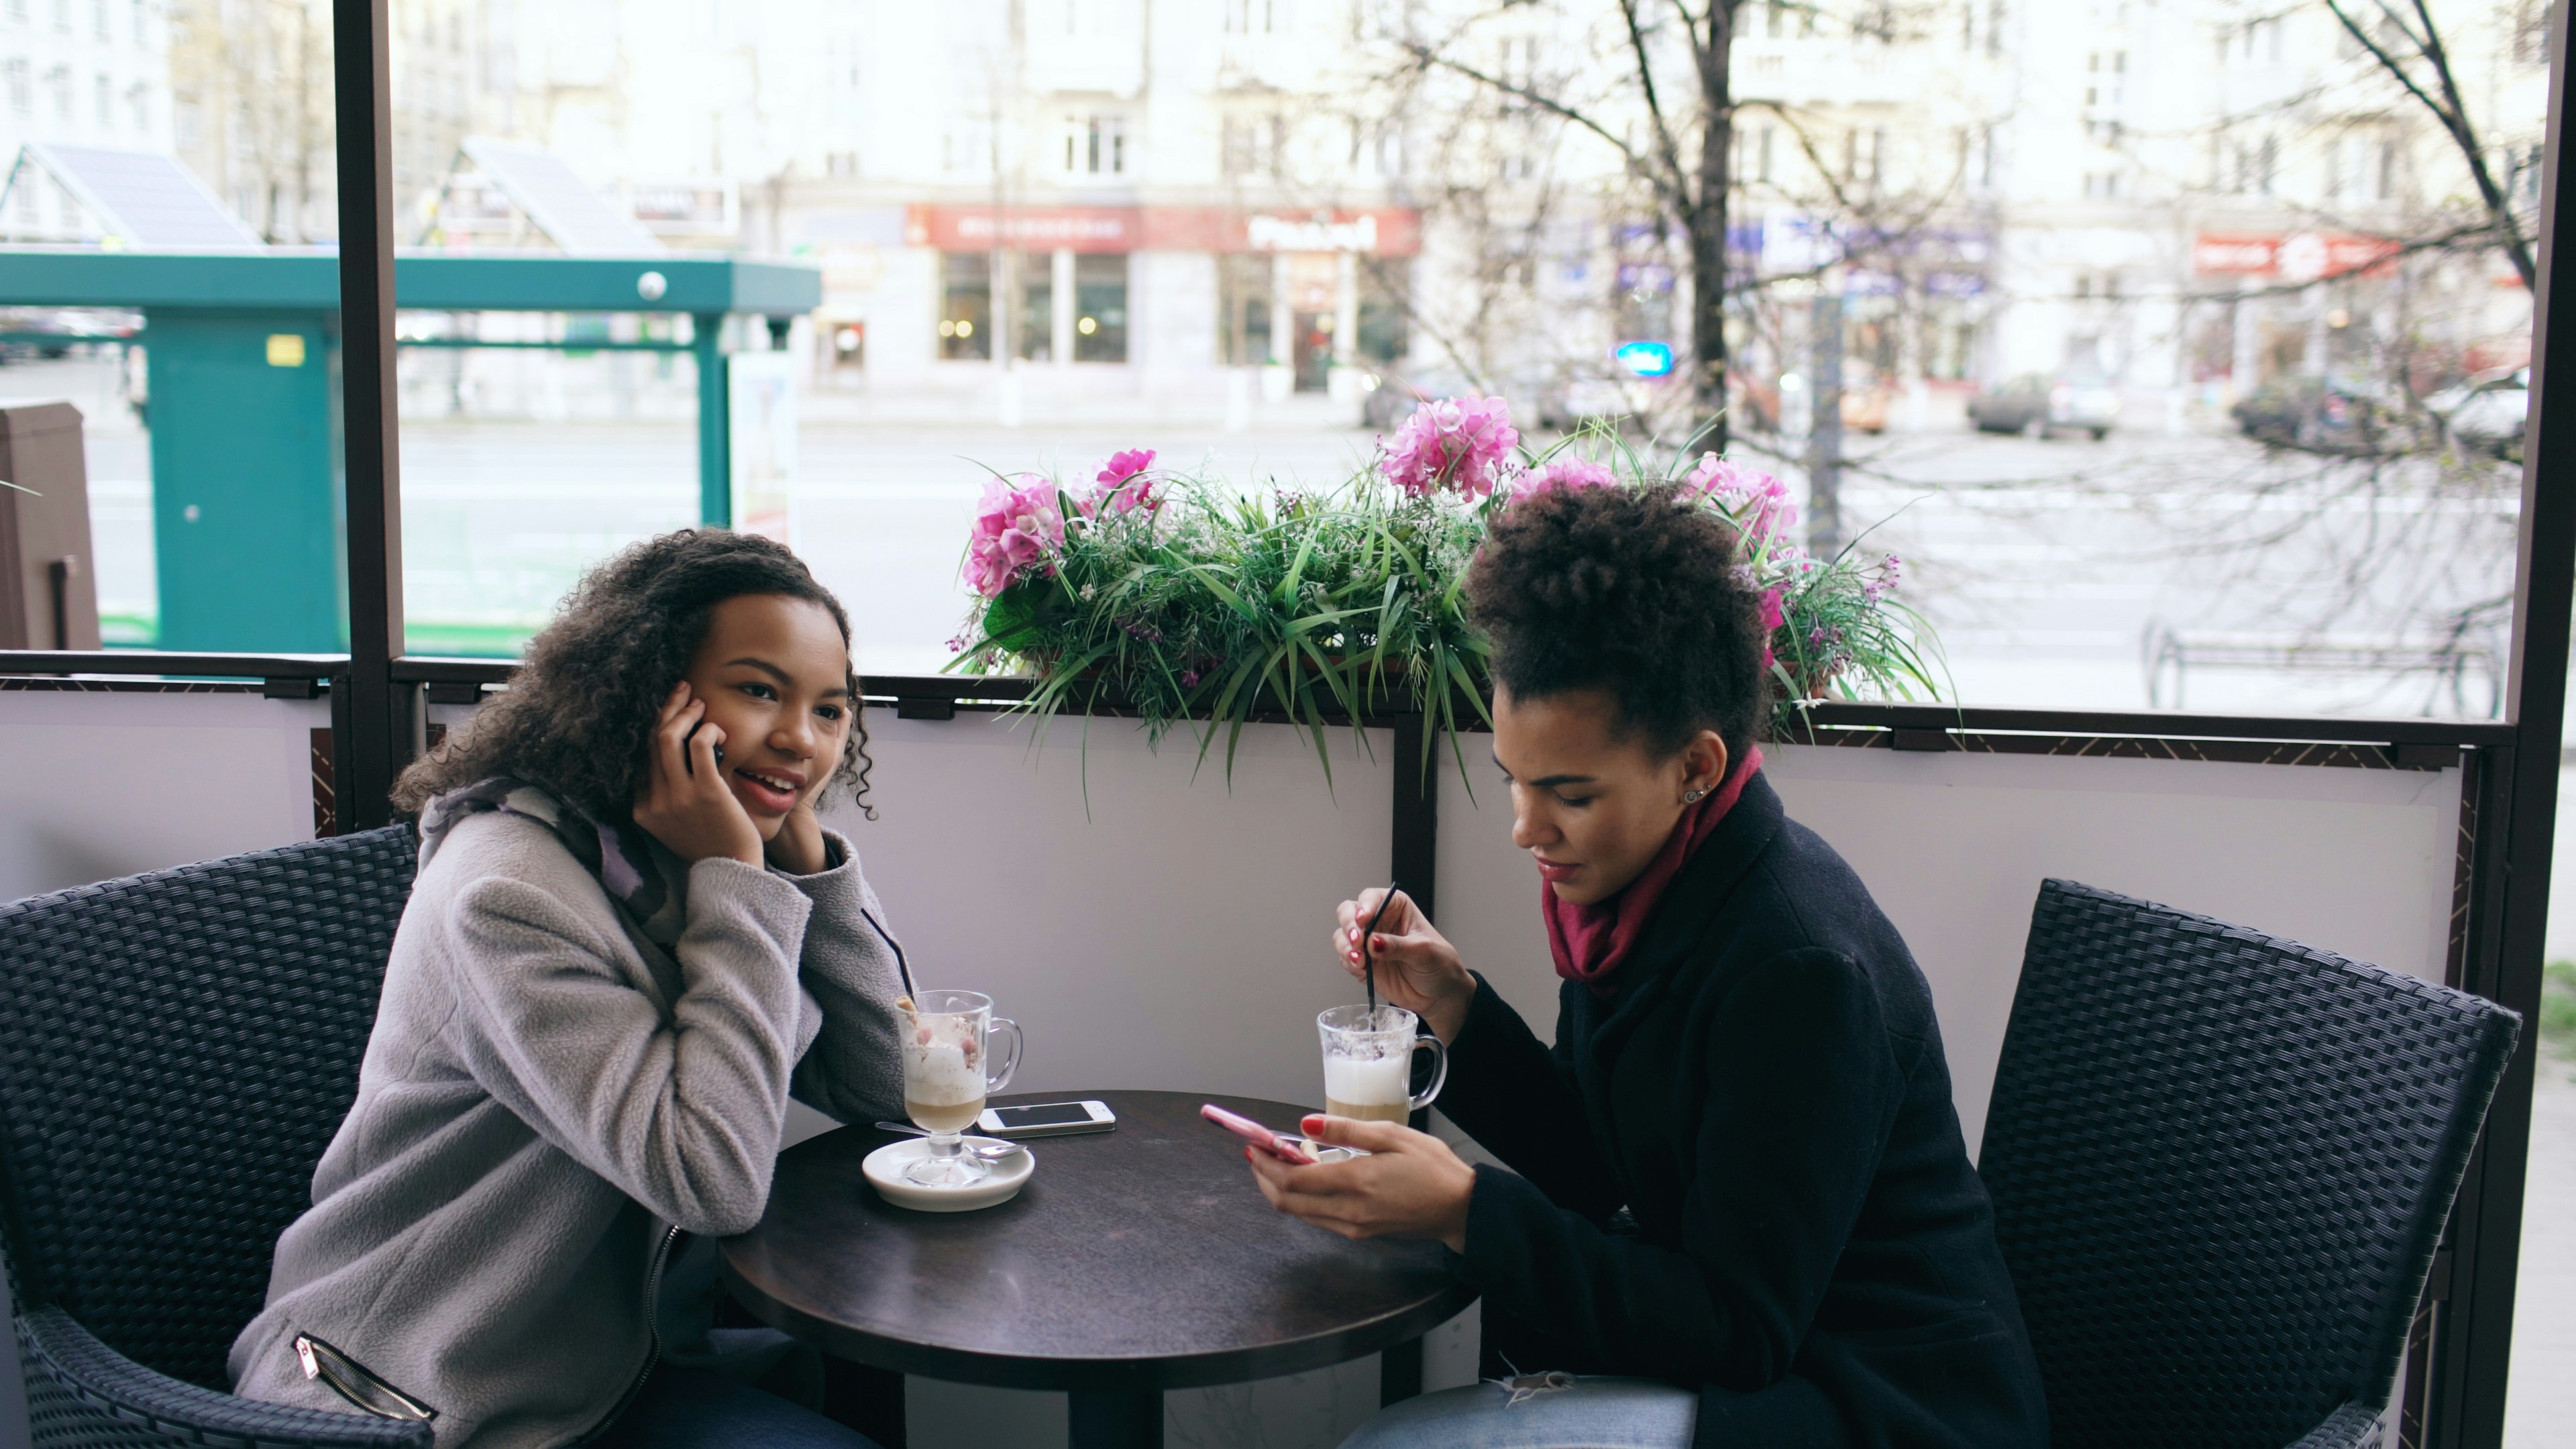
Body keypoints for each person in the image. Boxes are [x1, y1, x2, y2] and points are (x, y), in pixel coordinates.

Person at [1248, 485, 2049, 1449]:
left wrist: (1470, 1211)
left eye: (1569, 794)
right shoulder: (1652, 890)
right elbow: (1604, 1167)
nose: (1525, 830)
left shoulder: (1797, 968)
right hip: (1771, 1369)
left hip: (1875, 1404)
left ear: (1696, 767)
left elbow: (1740, 1329)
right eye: (1513, 780)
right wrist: (1456, 1004)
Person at [230, 531, 910, 1449]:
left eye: (830, 711)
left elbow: (890, 1086)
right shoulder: (509, 895)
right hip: (424, 1393)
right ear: (649, 691)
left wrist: (812, 871)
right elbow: (709, 1182)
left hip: (612, 1358)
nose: (802, 737)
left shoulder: (675, 862)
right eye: (759, 690)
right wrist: (743, 882)